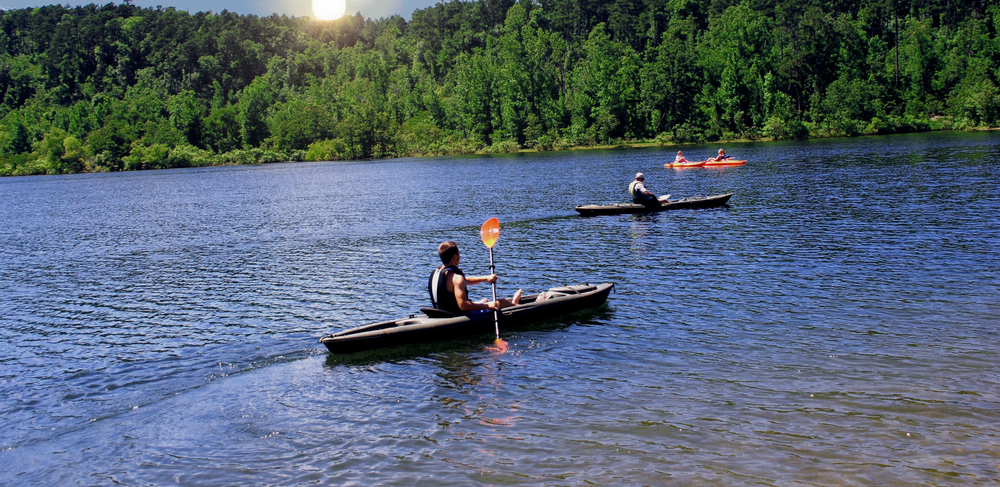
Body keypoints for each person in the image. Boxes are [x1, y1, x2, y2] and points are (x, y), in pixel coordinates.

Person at [428, 241, 521, 315]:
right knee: (501, 302)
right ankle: (516, 305)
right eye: (459, 254)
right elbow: (463, 306)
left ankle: (513, 303)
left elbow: (462, 282)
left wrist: (486, 278)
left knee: (485, 300)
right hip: (458, 315)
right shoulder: (456, 278)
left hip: (442, 312)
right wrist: (488, 306)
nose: (460, 256)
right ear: (455, 257)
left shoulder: (437, 273)